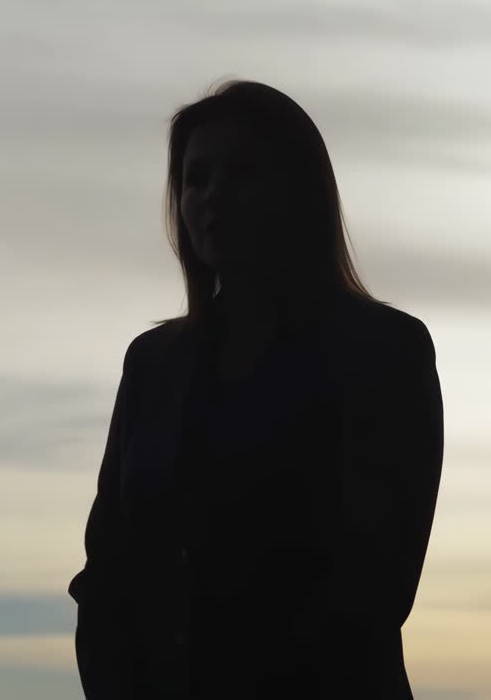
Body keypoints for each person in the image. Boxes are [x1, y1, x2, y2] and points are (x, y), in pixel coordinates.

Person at [67, 79, 445, 700]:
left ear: (299, 193)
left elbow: (372, 583)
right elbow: (108, 573)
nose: (213, 196)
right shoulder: (153, 364)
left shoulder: (383, 350)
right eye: (196, 178)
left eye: (242, 174)